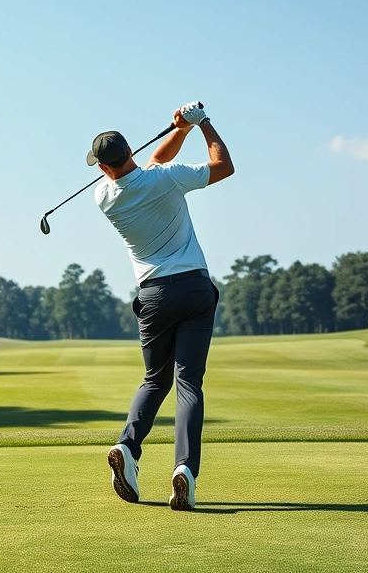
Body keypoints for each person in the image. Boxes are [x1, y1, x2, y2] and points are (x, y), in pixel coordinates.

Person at [87, 101, 234, 511]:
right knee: (188, 382)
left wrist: (180, 130)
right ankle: (183, 469)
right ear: (129, 153)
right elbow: (222, 166)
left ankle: (127, 447)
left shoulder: (104, 197)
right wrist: (202, 123)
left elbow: (152, 164)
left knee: (156, 380)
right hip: (193, 289)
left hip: (152, 295)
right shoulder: (167, 179)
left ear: (103, 168)